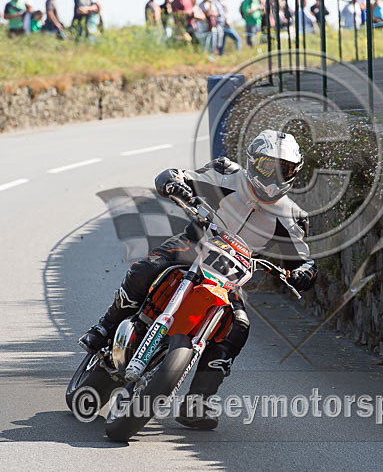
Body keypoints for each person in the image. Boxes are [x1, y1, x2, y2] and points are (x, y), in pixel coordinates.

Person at [79, 130, 318, 430]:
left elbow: (304, 259)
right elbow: (173, 175)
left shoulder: (292, 217)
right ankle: (104, 327)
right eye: (269, 166)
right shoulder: (226, 175)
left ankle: (199, 402)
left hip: (230, 277)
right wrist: (174, 184)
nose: (275, 175)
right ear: (254, 162)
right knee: (148, 267)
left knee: (239, 326)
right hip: (193, 248)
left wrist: (303, 273)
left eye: (285, 169)